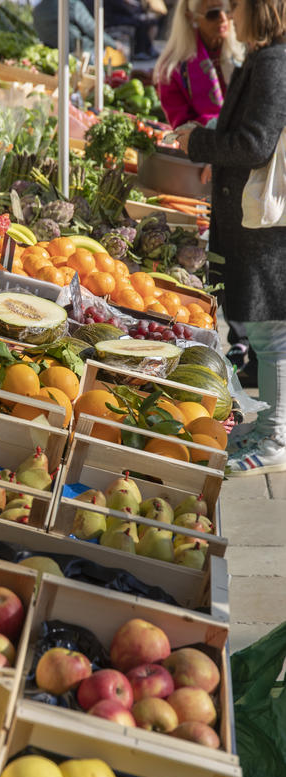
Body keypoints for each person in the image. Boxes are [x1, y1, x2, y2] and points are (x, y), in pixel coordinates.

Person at [176, 0, 286, 475]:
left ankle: (276, 435)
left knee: (271, 332)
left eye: (237, 4)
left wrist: (197, 140)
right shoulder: (262, 60)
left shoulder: (272, 63)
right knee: (266, 331)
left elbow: (254, 144)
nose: (231, 15)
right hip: (249, 221)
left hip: (260, 225)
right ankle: (268, 429)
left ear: (258, 10)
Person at [154, 0, 243, 128]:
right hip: (202, 143)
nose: (223, 18)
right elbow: (182, 126)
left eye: (228, 11)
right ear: (191, 17)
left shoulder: (245, 54)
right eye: (213, 13)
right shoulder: (172, 69)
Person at [33, 0, 119, 56]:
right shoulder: (72, 5)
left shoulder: (38, 10)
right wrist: (114, 45)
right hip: (81, 54)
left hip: (54, 54)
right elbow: (92, 30)